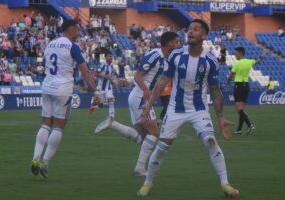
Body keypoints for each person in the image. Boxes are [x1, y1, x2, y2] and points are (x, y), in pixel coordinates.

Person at [137, 19, 239, 198]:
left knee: (210, 141)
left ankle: (225, 184)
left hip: (199, 109)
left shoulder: (210, 61)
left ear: (204, 35)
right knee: (162, 148)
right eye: (190, 29)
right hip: (175, 109)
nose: (191, 32)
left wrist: (221, 117)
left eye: (196, 29)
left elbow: (215, 91)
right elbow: (162, 81)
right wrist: (148, 106)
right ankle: (148, 183)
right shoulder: (176, 55)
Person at [94, 32, 179, 176]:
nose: (178, 44)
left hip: (140, 97)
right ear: (170, 43)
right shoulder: (155, 55)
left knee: (142, 137)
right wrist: (147, 92)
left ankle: (113, 124)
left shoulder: (168, 60)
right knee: (153, 134)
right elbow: (138, 75)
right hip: (140, 97)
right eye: (176, 41)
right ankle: (139, 168)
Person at [30, 20, 101, 179]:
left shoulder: (50, 44)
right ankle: (45, 162)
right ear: (71, 29)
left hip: (47, 86)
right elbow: (85, 71)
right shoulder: (72, 47)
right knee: (59, 127)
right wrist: (95, 91)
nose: (79, 32)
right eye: (78, 29)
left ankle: (35, 157)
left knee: (45, 124)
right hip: (63, 89)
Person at [227, 47, 265, 135]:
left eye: (236, 53)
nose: (235, 55)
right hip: (246, 86)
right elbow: (257, 61)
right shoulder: (249, 61)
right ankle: (239, 130)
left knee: (238, 108)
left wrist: (228, 81)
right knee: (242, 108)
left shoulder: (237, 64)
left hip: (238, 86)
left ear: (240, 53)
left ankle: (249, 124)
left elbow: (231, 75)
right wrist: (262, 56)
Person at [94, 51, 116, 118]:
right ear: (105, 57)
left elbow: (111, 77)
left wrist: (113, 79)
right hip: (101, 88)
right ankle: (95, 104)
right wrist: (105, 77)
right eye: (109, 56)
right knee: (98, 105)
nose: (110, 58)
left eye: (111, 56)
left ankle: (111, 117)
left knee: (111, 100)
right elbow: (96, 74)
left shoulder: (112, 67)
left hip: (108, 88)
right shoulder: (103, 65)